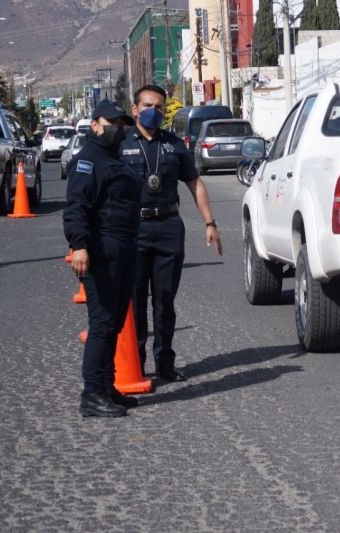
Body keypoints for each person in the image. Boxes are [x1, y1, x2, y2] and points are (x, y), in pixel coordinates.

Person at [120, 85, 222, 382]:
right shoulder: (121, 143)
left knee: (165, 300)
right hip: (133, 230)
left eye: (160, 107)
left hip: (167, 227)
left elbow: (194, 183)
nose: (155, 111)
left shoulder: (174, 145)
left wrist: (210, 223)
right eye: (148, 105)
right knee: (136, 300)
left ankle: (164, 362)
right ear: (135, 108)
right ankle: (135, 363)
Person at [63, 100, 140, 417]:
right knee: (102, 324)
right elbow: (77, 206)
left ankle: (108, 388)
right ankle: (92, 395)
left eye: (122, 124)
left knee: (115, 323)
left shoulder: (114, 158)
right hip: (101, 250)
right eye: (113, 123)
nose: (118, 129)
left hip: (123, 247)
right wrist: (79, 245)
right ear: (95, 124)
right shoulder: (88, 161)